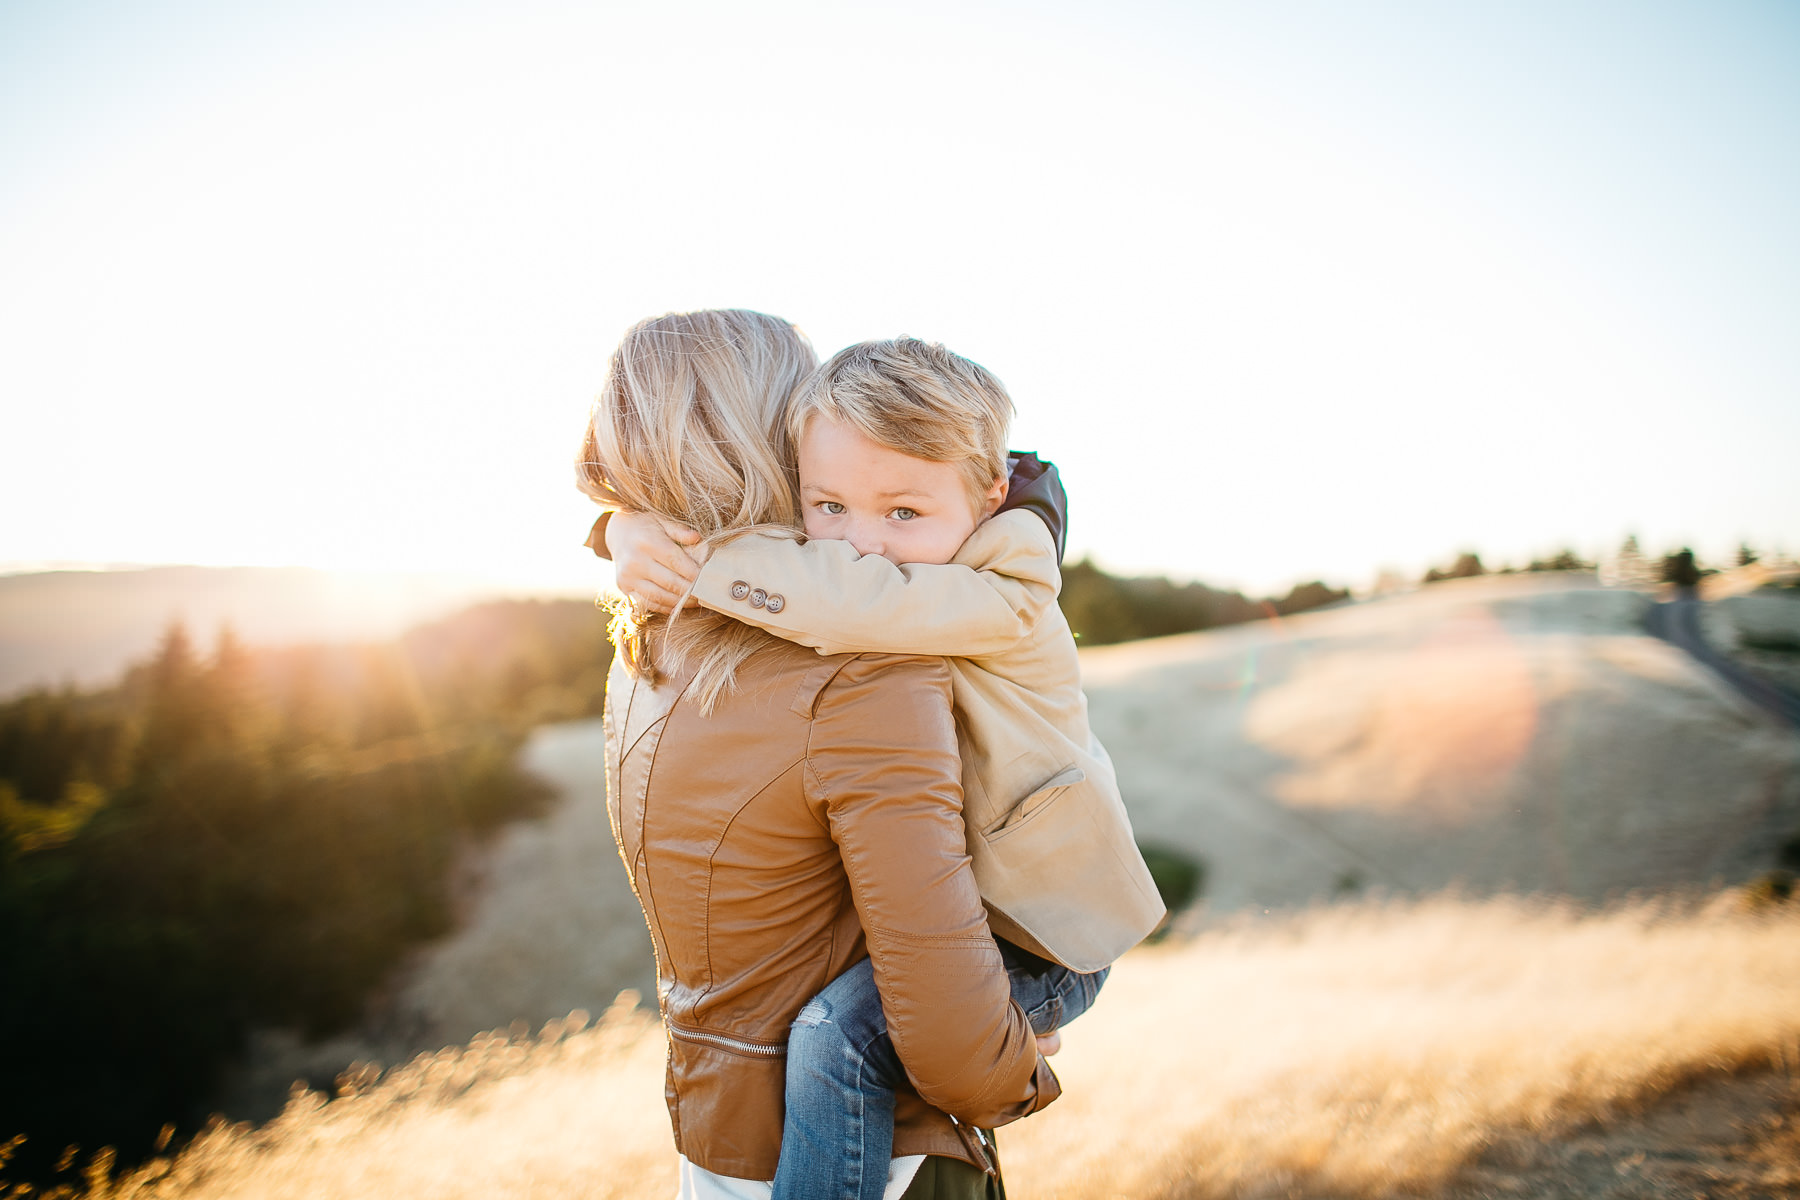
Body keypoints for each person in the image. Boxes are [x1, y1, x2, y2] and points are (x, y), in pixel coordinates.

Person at [602, 337, 1164, 1200]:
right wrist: (626, 524)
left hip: (1050, 927)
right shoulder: (913, 530)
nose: (860, 545)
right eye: (825, 506)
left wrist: (683, 555)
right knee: (840, 1033)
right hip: (984, 913)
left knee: (838, 1036)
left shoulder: (1003, 588)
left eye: (902, 515)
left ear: (984, 499)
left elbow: (851, 595)